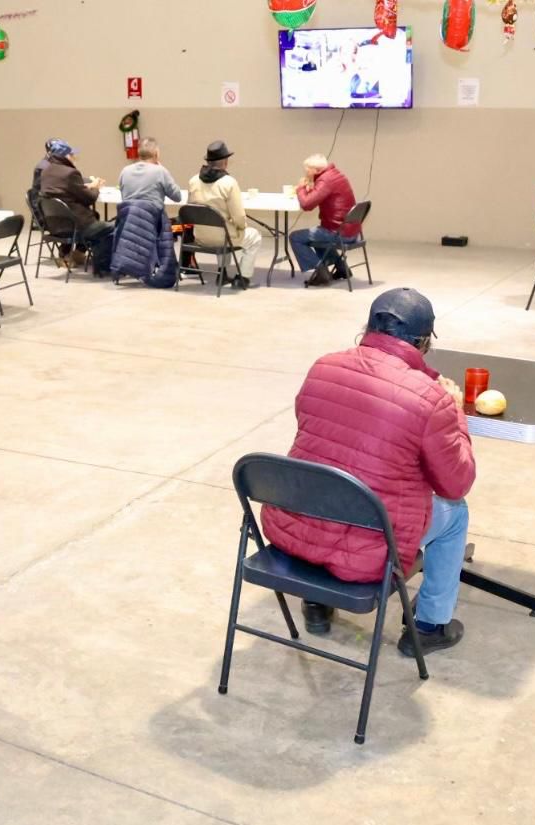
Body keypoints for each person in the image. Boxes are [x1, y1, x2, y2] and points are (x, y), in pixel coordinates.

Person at [262, 288, 476, 656]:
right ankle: (428, 626)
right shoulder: (431, 398)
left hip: (293, 527)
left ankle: (316, 601)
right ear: (424, 342)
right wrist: (455, 411)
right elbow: (456, 483)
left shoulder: (323, 366)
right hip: (370, 551)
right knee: (455, 514)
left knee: (336, 471)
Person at [187, 140, 264, 290]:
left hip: (200, 237)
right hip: (223, 238)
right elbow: (239, 217)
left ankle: (222, 273)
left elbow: (191, 209)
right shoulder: (229, 182)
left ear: (208, 161)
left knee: (220, 227)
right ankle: (243, 278)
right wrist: (242, 227)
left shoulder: (193, 181)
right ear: (226, 162)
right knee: (254, 236)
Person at [39, 140, 115, 273]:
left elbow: (65, 191)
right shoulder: (70, 173)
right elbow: (90, 199)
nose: (74, 158)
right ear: (66, 156)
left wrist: (85, 187)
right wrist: (96, 187)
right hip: (77, 226)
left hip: (55, 224)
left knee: (95, 216)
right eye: (72, 154)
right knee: (115, 226)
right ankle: (104, 266)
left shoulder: (46, 171)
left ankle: (75, 254)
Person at [289, 153, 362, 287]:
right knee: (318, 234)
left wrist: (300, 188)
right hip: (352, 231)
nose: (306, 172)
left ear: (317, 170)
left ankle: (321, 273)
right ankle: (342, 268)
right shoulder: (335, 174)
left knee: (296, 237)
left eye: (307, 169)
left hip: (339, 233)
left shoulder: (325, 180)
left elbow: (306, 205)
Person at [118, 138, 183, 208]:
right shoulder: (160, 171)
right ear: (156, 154)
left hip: (128, 216)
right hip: (152, 217)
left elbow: (124, 196)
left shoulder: (125, 171)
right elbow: (177, 197)